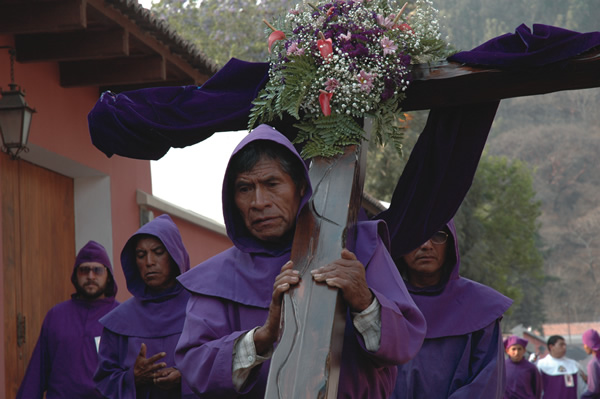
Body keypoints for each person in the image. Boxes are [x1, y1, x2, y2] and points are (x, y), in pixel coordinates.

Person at [174, 124, 426, 398]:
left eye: (272, 184)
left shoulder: (359, 247)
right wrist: (262, 337)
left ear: (301, 186)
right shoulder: (215, 278)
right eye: (245, 188)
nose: (259, 202)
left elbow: (407, 340)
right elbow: (195, 365)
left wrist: (365, 302)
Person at [390, 220, 513, 398]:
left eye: (438, 235)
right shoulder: (380, 302)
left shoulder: (480, 306)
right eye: (415, 236)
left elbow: (487, 383)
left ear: (451, 244)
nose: (426, 245)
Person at [94, 214, 194, 398]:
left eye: (158, 252)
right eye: (141, 255)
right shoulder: (118, 322)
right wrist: (133, 378)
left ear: (175, 255)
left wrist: (185, 377)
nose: (149, 262)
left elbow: (224, 368)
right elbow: (104, 383)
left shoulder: (203, 310)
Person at [16, 240, 119, 399]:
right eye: (84, 270)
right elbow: (36, 374)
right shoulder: (56, 316)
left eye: (97, 270)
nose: (90, 276)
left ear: (108, 275)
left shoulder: (120, 317)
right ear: (76, 274)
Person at [536, 335, 585, 399]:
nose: (564, 347)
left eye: (565, 345)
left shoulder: (574, 365)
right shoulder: (541, 365)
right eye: (561, 345)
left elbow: (582, 388)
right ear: (551, 347)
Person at [503, 335, 542, 399]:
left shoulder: (531, 368)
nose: (516, 352)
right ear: (507, 351)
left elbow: (537, 389)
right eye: (513, 349)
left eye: (519, 349)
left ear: (524, 350)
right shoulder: (502, 367)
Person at [581, 329, 600, 398]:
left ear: (587, 345)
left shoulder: (593, 364)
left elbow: (594, 390)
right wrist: (588, 380)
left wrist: (581, 397)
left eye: (584, 344)